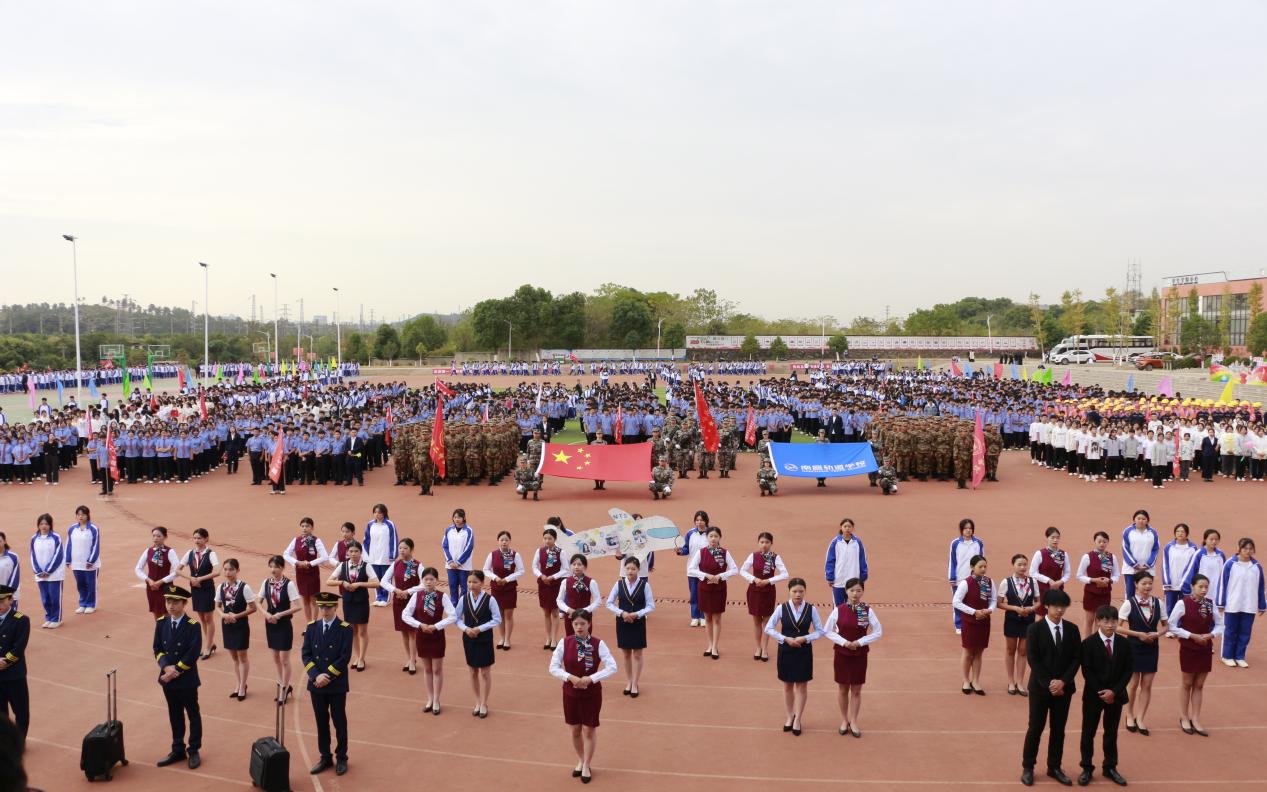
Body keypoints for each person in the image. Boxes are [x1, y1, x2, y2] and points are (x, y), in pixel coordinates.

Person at [1020, 589, 1081, 788]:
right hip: (1040, 688)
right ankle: (1028, 767)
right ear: (1046, 606)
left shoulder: (1072, 629)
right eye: (1056, 606)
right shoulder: (1034, 630)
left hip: (1064, 689)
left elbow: (1075, 659)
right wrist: (1050, 683)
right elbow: (1033, 659)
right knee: (1035, 727)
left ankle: (1054, 766)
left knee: (1058, 729)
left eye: (1063, 607)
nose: (1060, 610)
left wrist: (1062, 682)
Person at [549, 609, 617, 784]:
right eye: (576, 624)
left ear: (589, 624)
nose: (579, 627)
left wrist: (592, 678)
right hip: (570, 693)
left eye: (582, 624)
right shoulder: (564, 643)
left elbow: (612, 667)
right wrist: (569, 677)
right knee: (575, 730)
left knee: (589, 729)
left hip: (591, 694)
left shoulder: (598, 644)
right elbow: (553, 667)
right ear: (571, 625)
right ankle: (580, 759)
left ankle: (587, 764)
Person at [1077, 605, 1132, 786]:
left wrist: (1114, 691)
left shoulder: (1124, 643)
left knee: (1111, 732)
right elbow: (1087, 671)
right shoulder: (1088, 644)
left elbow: (1127, 670)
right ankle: (1086, 767)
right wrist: (1102, 691)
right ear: (1098, 621)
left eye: (1114, 621)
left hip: (1115, 696)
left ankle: (1110, 767)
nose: (1110, 624)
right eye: (1106, 621)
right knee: (1088, 732)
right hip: (1094, 696)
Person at [763, 577, 824, 736]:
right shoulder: (781, 608)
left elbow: (820, 631)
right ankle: (790, 716)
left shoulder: (811, 609)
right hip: (786, 650)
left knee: (802, 686)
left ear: (805, 592)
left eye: (801, 591)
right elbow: (769, 628)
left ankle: (798, 719)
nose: (798, 594)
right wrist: (785, 639)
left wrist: (806, 638)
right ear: (789, 592)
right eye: (795, 591)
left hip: (803, 651)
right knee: (787, 685)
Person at [822, 577, 881, 738]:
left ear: (863, 591)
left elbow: (878, 631)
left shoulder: (867, 610)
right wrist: (844, 642)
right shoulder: (838, 610)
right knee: (842, 688)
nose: (855, 594)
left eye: (859, 590)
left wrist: (860, 642)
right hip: (842, 653)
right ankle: (844, 720)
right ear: (846, 591)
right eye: (852, 590)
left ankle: (853, 721)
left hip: (860, 654)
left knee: (856, 689)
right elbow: (827, 630)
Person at [302, 591, 353, 776]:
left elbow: (344, 657)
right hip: (316, 684)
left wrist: (327, 676)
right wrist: (316, 676)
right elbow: (306, 654)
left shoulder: (345, 628)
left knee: (339, 721)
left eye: (328, 607)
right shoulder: (312, 627)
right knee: (321, 721)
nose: (324, 611)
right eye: (321, 607)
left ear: (335, 607)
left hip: (336, 683)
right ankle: (325, 756)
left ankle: (341, 757)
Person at [153, 585, 202, 770]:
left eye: (175, 602)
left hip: (186, 678)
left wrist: (176, 670)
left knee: (192, 713)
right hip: (167, 677)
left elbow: (193, 652)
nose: (171, 605)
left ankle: (194, 748)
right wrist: (166, 667)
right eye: (168, 601)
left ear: (184, 604)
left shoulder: (193, 626)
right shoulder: (161, 623)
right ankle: (178, 748)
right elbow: (157, 649)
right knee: (174, 713)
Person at [1168, 574, 1223, 736]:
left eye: (1206, 587)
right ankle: (1184, 717)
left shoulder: (1210, 604)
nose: (1204, 590)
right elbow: (1172, 625)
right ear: (1192, 586)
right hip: (1189, 647)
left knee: (1199, 684)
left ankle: (1196, 718)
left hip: (1205, 647)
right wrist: (1191, 635)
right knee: (1187, 683)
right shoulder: (1182, 603)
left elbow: (1220, 624)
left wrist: (1211, 635)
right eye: (1200, 586)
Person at [1117, 571, 1166, 736]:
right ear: (1136, 584)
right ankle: (1129, 715)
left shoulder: (1159, 603)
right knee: (1133, 684)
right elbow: (1117, 627)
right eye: (1144, 583)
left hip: (1152, 647)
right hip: (1134, 647)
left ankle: (1141, 718)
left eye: (1150, 583)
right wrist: (1138, 634)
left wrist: (1157, 634)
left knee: (1147, 685)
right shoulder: (1129, 603)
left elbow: (1166, 626)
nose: (1147, 586)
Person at [402, 567, 456, 715]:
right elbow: (405, 614)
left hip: (436, 635)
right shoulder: (417, 596)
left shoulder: (442, 596)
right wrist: (420, 625)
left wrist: (436, 626)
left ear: (436, 580)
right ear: (422, 580)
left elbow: (453, 615)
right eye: (426, 579)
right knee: (427, 669)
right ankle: (430, 699)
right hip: (422, 635)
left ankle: (437, 700)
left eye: (431, 579)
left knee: (437, 669)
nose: (428, 582)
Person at [604, 557, 654, 697]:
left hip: (638, 622)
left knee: (637, 654)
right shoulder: (619, 584)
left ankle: (635, 683)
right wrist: (622, 613)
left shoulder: (645, 585)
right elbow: (609, 603)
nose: (630, 571)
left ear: (638, 569)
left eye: (633, 569)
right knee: (626, 654)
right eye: (628, 568)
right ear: (624, 569)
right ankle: (629, 681)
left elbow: (651, 605)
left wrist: (637, 614)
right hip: (623, 622)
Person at [326, 540, 377, 672]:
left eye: (356, 551)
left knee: (362, 631)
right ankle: (356, 656)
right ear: (347, 553)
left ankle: (362, 658)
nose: (353, 554)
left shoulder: (366, 566)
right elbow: (329, 581)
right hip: (348, 603)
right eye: (351, 551)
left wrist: (360, 584)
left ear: (361, 553)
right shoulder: (343, 565)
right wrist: (342, 582)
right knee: (352, 631)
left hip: (361, 603)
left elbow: (376, 583)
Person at [688, 526, 738, 660]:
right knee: (707, 618)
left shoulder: (724, 553)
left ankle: (715, 646)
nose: (713, 539)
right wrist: (706, 575)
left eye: (716, 536)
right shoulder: (701, 552)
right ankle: (709, 645)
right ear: (707, 538)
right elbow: (691, 569)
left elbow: (735, 569)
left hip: (719, 589)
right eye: (711, 536)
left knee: (717, 618)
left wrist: (720, 576)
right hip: (704, 589)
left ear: (720, 538)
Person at [258, 554, 302, 704]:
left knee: (284, 659)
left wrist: (280, 614)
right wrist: (266, 614)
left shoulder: (288, 585)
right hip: (270, 624)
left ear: (282, 568)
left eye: (276, 567)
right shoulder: (266, 583)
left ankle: (284, 686)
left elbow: (298, 606)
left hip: (283, 625)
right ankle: (282, 683)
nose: (273, 569)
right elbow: (258, 602)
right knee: (275, 658)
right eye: (271, 566)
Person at [740, 531, 789, 662]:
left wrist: (769, 581)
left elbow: (785, 574)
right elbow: (742, 570)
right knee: (756, 621)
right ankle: (758, 648)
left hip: (768, 592)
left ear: (771, 544)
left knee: (767, 622)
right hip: (754, 591)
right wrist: (754, 579)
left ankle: (765, 649)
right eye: (762, 542)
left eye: (767, 542)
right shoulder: (753, 556)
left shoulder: (775, 557)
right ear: (758, 543)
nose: (764, 545)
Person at [1217, 538, 1265, 668]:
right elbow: (1222, 584)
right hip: (1233, 604)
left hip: (1249, 605)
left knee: (1245, 632)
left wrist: (1262, 604)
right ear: (1239, 549)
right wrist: (1220, 603)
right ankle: (1227, 656)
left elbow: (1261, 587)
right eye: (1245, 548)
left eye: (1250, 548)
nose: (1248, 551)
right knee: (1230, 631)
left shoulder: (1256, 567)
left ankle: (1240, 656)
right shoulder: (1230, 564)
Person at [460, 570, 501, 718]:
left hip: (484, 639)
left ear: (482, 583)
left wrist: (479, 628)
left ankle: (484, 702)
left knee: (485, 672)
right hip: (469, 639)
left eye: (475, 582)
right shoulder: (463, 599)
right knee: (472, 672)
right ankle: (477, 701)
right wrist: (466, 629)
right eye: (469, 582)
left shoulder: (490, 600)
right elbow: (456, 618)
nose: (471, 585)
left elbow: (497, 619)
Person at [380, 538, 423, 673]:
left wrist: (408, 591)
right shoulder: (395, 564)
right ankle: (410, 658)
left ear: (411, 549)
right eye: (400, 548)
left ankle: (412, 659)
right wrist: (395, 590)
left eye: (405, 548)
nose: (402, 551)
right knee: (403, 631)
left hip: (413, 602)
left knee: (412, 632)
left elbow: (424, 583)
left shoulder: (418, 565)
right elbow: (383, 581)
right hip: (399, 601)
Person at [952, 555, 994, 695]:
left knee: (979, 652)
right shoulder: (966, 583)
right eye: (980, 567)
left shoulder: (989, 582)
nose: (983, 569)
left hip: (984, 621)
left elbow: (993, 600)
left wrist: (989, 610)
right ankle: (966, 680)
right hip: (970, 622)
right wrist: (974, 612)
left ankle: (975, 681)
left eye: (985, 566)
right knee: (968, 651)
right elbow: (956, 602)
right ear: (972, 567)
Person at [997, 553, 1037, 696]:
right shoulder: (1006, 582)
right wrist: (1015, 608)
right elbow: (999, 603)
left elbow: (1038, 601)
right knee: (1010, 650)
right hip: (1012, 620)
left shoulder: (1033, 582)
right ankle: (1011, 681)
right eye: (1019, 564)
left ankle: (1020, 682)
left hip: (1028, 620)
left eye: (1024, 564)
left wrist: (1031, 608)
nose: (1022, 567)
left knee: (1023, 651)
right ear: (1013, 565)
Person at [179, 528, 219, 659]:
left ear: (206, 539)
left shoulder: (211, 554)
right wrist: (190, 578)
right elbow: (177, 569)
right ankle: (210, 643)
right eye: (195, 538)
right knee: (202, 618)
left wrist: (200, 578)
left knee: (209, 617)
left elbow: (217, 571)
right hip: (195, 588)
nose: (197, 540)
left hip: (206, 588)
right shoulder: (190, 553)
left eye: (199, 538)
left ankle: (207, 647)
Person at [483, 531, 525, 651]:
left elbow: (521, 570)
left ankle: (507, 639)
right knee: (499, 614)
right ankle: (501, 637)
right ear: (498, 541)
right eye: (502, 540)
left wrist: (506, 579)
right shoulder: (492, 554)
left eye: (506, 540)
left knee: (508, 614)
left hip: (509, 588)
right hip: (496, 587)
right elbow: (486, 569)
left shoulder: (515, 555)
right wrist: (495, 578)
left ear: (509, 541)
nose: (504, 542)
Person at [283, 517, 330, 624]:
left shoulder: (316, 540)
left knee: (314, 599)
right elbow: (286, 554)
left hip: (312, 573)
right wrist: (296, 562)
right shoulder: (296, 540)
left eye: (307, 526)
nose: (304, 528)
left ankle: (314, 622)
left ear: (312, 528)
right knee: (305, 599)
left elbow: (325, 556)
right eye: (303, 526)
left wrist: (310, 563)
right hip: (300, 573)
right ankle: (309, 623)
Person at [0, 585, 30, 742]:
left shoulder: (21, 620)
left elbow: (19, 646)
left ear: (10, 600)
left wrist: (5, 661)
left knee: (21, 711)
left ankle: (19, 742)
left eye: (2, 601)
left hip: (14, 675)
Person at [1076, 531, 1120, 637]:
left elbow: (1116, 575)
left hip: (1105, 594)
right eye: (1099, 541)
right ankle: (1086, 644)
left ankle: (1097, 645)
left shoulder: (1111, 557)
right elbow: (1079, 575)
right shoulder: (1087, 556)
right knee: (1089, 620)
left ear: (1107, 542)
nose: (1102, 544)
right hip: (1091, 593)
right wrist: (1093, 580)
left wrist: (1109, 580)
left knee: (1100, 620)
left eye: (1104, 541)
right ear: (1095, 542)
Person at [533, 527, 567, 650]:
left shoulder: (560, 552)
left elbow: (565, 569)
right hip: (543, 584)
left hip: (555, 584)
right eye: (545, 538)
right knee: (546, 611)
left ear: (555, 539)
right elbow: (534, 566)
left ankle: (554, 638)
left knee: (555, 611)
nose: (547, 541)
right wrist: (541, 575)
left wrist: (553, 577)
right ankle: (548, 637)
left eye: (550, 539)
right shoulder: (539, 551)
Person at [947, 518, 984, 635]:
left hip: (974, 578)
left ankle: (971, 622)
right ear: (961, 530)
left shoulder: (978, 543)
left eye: (970, 528)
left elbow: (982, 560)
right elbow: (952, 561)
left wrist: (981, 574)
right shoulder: (955, 543)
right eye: (966, 529)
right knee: (958, 601)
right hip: (959, 578)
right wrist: (952, 577)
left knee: (973, 601)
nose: (968, 531)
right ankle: (959, 625)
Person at [676, 511, 711, 627]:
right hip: (692, 569)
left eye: (701, 520)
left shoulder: (711, 533)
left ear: (706, 521)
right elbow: (686, 549)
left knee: (705, 594)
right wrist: (680, 551)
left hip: (706, 570)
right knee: (694, 594)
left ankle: (703, 616)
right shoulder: (690, 533)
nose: (699, 522)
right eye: (697, 520)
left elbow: (716, 549)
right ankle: (695, 617)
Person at [135, 526, 180, 619]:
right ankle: (160, 632)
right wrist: (148, 580)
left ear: (165, 537)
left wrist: (161, 581)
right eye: (154, 536)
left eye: (159, 536)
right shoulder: (148, 551)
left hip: (166, 587)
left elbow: (177, 571)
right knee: (156, 611)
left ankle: (169, 632)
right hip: (151, 587)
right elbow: (138, 568)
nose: (155, 538)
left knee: (167, 612)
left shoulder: (170, 551)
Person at [29, 514, 64, 629]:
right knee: (45, 598)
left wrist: (48, 570)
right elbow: (32, 556)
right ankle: (49, 617)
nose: (44, 526)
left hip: (54, 574)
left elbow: (58, 555)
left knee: (54, 597)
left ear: (50, 525)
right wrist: (38, 571)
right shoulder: (34, 538)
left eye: (46, 524)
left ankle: (57, 618)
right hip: (40, 575)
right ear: (38, 525)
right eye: (41, 524)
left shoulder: (56, 537)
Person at [65, 505, 101, 616]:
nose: (81, 517)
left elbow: (96, 545)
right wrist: (68, 559)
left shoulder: (93, 529)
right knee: (80, 584)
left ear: (87, 515)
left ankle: (91, 604)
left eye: (83, 514)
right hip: (77, 563)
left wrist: (91, 561)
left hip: (90, 564)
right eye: (78, 514)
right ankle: (83, 603)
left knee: (90, 584)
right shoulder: (72, 529)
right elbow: (68, 544)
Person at [824, 518, 869, 607]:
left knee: (854, 605)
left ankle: (854, 621)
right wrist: (830, 577)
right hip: (839, 580)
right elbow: (830, 560)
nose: (847, 528)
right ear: (841, 528)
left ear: (853, 528)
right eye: (845, 526)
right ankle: (838, 621)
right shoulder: (835, 542)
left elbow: (862, 560)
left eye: (849, 526)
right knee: (838, 607)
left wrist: (863, 576)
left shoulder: (857, 542)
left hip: (853, 580)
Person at [556, 555, 603, 637]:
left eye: (579, 564)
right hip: (570, 617)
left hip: (585, 617)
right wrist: (568, 610)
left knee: (585, 640)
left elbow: (598, 601)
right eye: (574, 564)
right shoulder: (565, 582)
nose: (576, 567)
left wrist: (585, 610)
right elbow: (559, 600)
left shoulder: (591, 582)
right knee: (570, 640)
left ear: (584, 566)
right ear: (570, 566)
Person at [362, 503, 397, 608]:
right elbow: (366, 541)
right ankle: (378, 597)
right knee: (376, 578)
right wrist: (366, 555)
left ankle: (386, 598)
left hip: (386, 557)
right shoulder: (370, 524)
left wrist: (393, 555)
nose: (377, 514)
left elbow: (394, 540)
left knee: (385, 578)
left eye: (380, 512)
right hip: (373, 557)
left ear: (384, 513)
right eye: (375, 512)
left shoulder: (389, 524)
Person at [1029, 526, 1069, 618]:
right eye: (1052, 537)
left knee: (1056, 615)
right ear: (1047, 538)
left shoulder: (1064, 554)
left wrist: (1060, 582)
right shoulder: (1040, 553)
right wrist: (1049, 580)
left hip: (1058, 590)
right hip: (1043, 590)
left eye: (1057, 537)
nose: (1055, 540)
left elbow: (1067, 573)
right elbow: (1033, 572)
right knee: (1041, 616)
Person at [1120, 509, 1159, 600]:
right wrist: (1135, 565)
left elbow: (1155, 549)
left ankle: (1145, 612)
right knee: (1130, 593)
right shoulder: (1128, 531)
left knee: (1145, 591)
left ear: (1147, 520)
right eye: (1138, 518)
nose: (1141, 520)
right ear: (1134, 519)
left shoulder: (1153, 532)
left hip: (1147, 568)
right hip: (1131, 569)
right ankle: (1130, 613)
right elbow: (1125, 549)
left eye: (1143, 519)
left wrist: (1148, 565)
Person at [1161, 523, 1198, 614]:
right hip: (1171, 584)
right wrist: (1167, 582)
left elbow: (1194, 567)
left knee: (1185, 607)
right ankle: (1169, 627)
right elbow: (1165, 565)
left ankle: (1182, 626)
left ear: (1187, 534)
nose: (1180, 533)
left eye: (1182, 531)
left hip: (1186, 584)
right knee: (1170, 608)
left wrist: (1192, 583)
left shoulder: (1193, 548)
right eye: (1177, 531)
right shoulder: (1169, 547)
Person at [442, 509, 475, 605]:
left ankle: (462, 607)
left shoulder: (468, 531)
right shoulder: (449, 530)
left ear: (464, 518)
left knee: (464, 588)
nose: (457, 519)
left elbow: (469, 547)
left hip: (464, 566)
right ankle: (454, 608)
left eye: (459, 517)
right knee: (453, 587)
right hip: (450, 566)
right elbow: (445, 546)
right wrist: (450, 561)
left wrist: (459, 562)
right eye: (455, 517)